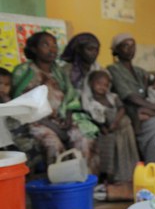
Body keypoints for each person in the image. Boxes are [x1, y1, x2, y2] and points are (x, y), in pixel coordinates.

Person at [11, 31, 100, 174]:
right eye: (45, 45)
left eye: (54, 45)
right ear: (34, 48)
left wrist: (68, 117)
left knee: (85, 139)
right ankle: (61, 182)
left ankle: (86, 180)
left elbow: (70, 96)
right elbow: (19, 104)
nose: (52, 49)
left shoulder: (59, 72)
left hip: (61, 119)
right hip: (35, 121)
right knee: (53, 144)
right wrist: (50, 124)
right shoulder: (23, 72)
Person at [107, 33, 155, 173]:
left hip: (149, 108)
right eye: (125, 46)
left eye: (133, 45)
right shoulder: (113, 69)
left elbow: (154, 88)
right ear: (116, 49)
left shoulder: (140, 71)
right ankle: (152, 168)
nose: (130, 49)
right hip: (131, 112)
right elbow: (129, 96)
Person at [81, 70, 140, 183]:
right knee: (108, 156)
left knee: (123, 153)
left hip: (122, 130)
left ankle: (124, 175)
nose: (102, 87)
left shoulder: (112, 97)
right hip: (106, 133)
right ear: (91, 83)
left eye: (106, 85)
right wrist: (102, 127)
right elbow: (91, 117)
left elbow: (122, 108)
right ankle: (108, 178)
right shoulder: (89, 102)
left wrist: (116, 122)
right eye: (99, 83)